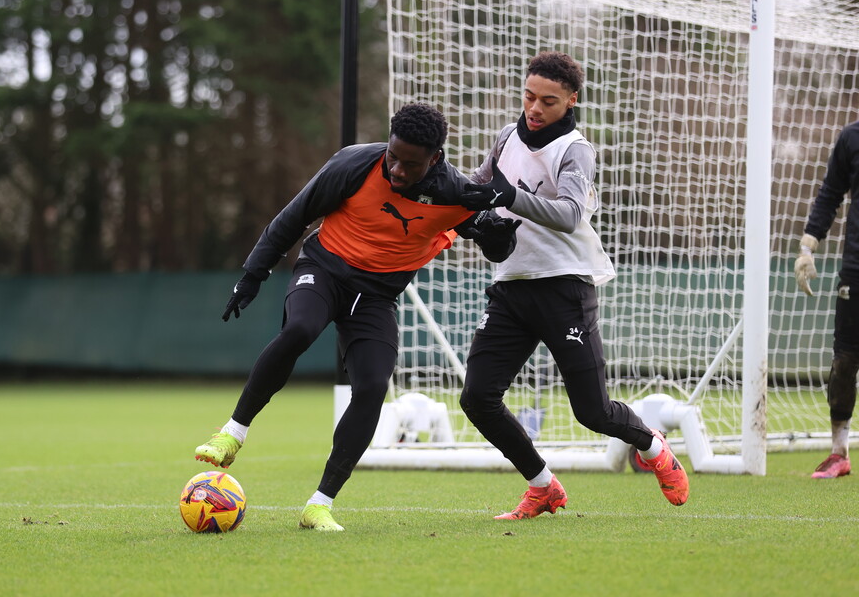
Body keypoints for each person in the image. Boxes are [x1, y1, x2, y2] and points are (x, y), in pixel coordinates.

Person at [195, 103, 521, 531]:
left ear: (435, 159)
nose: (398, 171)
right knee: (300, 329)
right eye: (394, 156)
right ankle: (232, 433)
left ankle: (319, 504)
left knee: (370, 386)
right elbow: (293, 218)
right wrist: (252, 276)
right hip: (324, 270)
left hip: (376, 299)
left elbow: (495, 249)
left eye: (412, 164)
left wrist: (498, 231)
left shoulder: (455, 192)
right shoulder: (351, 164)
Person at [456, 51, 689, 519]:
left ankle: (652, 445)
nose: (534, 109)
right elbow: (473, 190)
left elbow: (569, 214)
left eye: (548, 101)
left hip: (565, 289)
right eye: (528, 96)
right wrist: (454, 209)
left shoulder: (576, 148)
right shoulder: (506, 137)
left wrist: (509, 198)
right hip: (511, 288)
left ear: (570, 101)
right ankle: (543, 486)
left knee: (592, 413)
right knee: (477, 398)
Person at [794, 119, 859, 479]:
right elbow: (830, 193)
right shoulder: (851, 138)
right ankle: (839, 454)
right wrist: (807, 247)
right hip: (856, 269)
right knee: (845, 360)